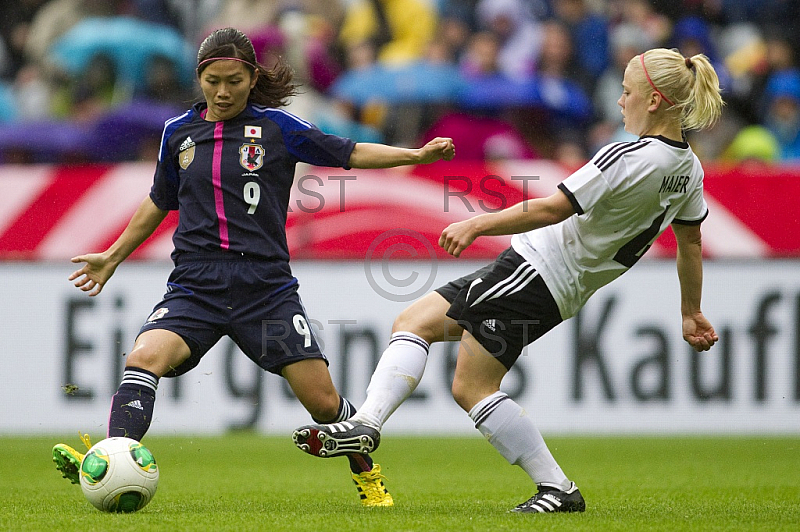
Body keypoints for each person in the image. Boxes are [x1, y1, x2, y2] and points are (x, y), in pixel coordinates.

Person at [293, 47, 723, 513]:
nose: (621, 102)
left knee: (471, 386)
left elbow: (554, 206)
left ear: (654, 100)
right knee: (415, 322)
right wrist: (691, 310)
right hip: (556, 283)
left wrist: (478, 223)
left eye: (627, 92)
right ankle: (371, 424)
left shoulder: (630, 154)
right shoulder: (688, 170)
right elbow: (691, 243)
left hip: (538, 271)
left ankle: (554, 487)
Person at [51, 27, 455, 508]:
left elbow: (347, 152)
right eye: (213, 81)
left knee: (325, 405)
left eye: (234, 81)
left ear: (251, 77)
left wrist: (416, 154)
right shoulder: (177, 133)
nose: (223, 92)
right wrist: (112, 256)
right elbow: (159, 201)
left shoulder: (279, 128)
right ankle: (112, 460)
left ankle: (367, 473)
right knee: (142, 359)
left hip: (264, 290)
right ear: (199, 78)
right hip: (194, 286)